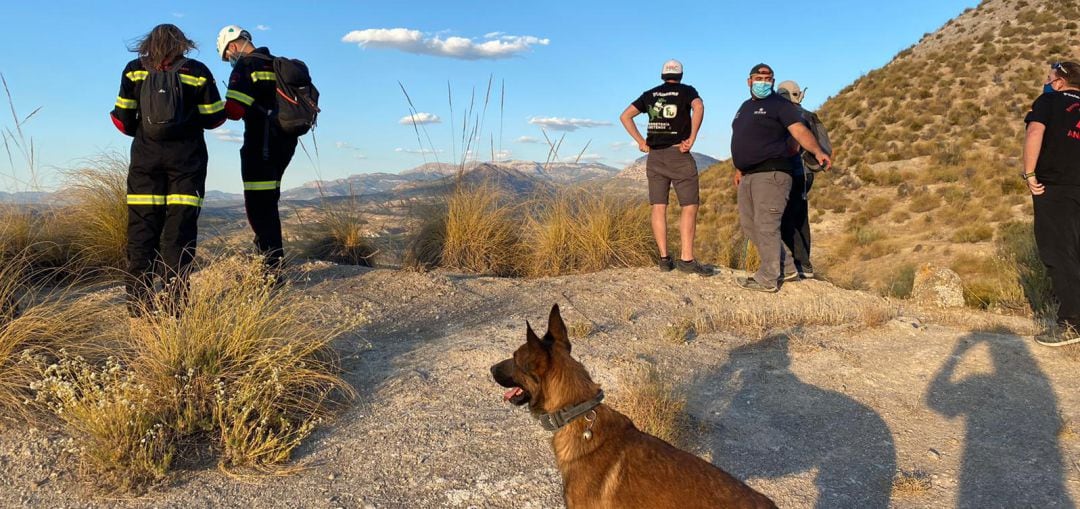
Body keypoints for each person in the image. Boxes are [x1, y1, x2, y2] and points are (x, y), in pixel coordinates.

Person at [111, 24, 225, 316]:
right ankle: (176, 303)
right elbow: (214, 119)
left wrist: (145, 131)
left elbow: (123, 120)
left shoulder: (134, 70)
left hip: (145, 163)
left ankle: (139, 305)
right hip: (187, 161)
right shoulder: (197, 71)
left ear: (147, 43)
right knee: (179, 231)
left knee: (142, 230)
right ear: (183, 44)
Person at [731, 64, 830, 292]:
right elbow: (744, 138)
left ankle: (767, 278)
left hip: (772, 173)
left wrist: (817, 151)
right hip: (748, 175)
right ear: (749, 81)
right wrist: (739, 168)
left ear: (773, 82)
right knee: (749, 225)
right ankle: (786, 268)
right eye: (759, 77)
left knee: (767, 225)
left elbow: (799, 131)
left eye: (768, 78)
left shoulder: (781, 105)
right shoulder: (744, 107)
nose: (763, 82)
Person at [217, 25, 300, 272]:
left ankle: (270, 271)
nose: (229, 59)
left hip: (261, 145)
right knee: (269, 201)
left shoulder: (246, 66)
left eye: (227, 55)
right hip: (285, 144)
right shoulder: (276, 64)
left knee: (258, 206)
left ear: (232, 46)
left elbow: (234, 110)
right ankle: (269, 262)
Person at [619, 59, 709, 275]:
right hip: (679, 154)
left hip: (655, 157)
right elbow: (699, 107)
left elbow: (625, 116)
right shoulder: (687, 91)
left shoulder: (650, 94)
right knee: (689, 206)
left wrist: (641, 142)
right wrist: (693, 137)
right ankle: (686, 259)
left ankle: (664, 258)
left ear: (662, 75)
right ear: (681, 75)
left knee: (658, 207)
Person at [1022, 61, 1080, 347]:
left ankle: (1071, 324)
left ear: (1059, 83)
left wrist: (1030, 173)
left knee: (1058, 251)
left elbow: (1034, 132)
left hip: (1054, 188)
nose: (1047, 82)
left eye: (1049, 78)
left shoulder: (1049, 100)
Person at [777, 80, 832, 279]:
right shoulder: (808, 115)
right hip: (806, 174)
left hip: (791, 172)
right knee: (800, 217)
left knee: (784, 216)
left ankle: (800, 264)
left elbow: (791, 146)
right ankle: (804, 265)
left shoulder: (788, 116)